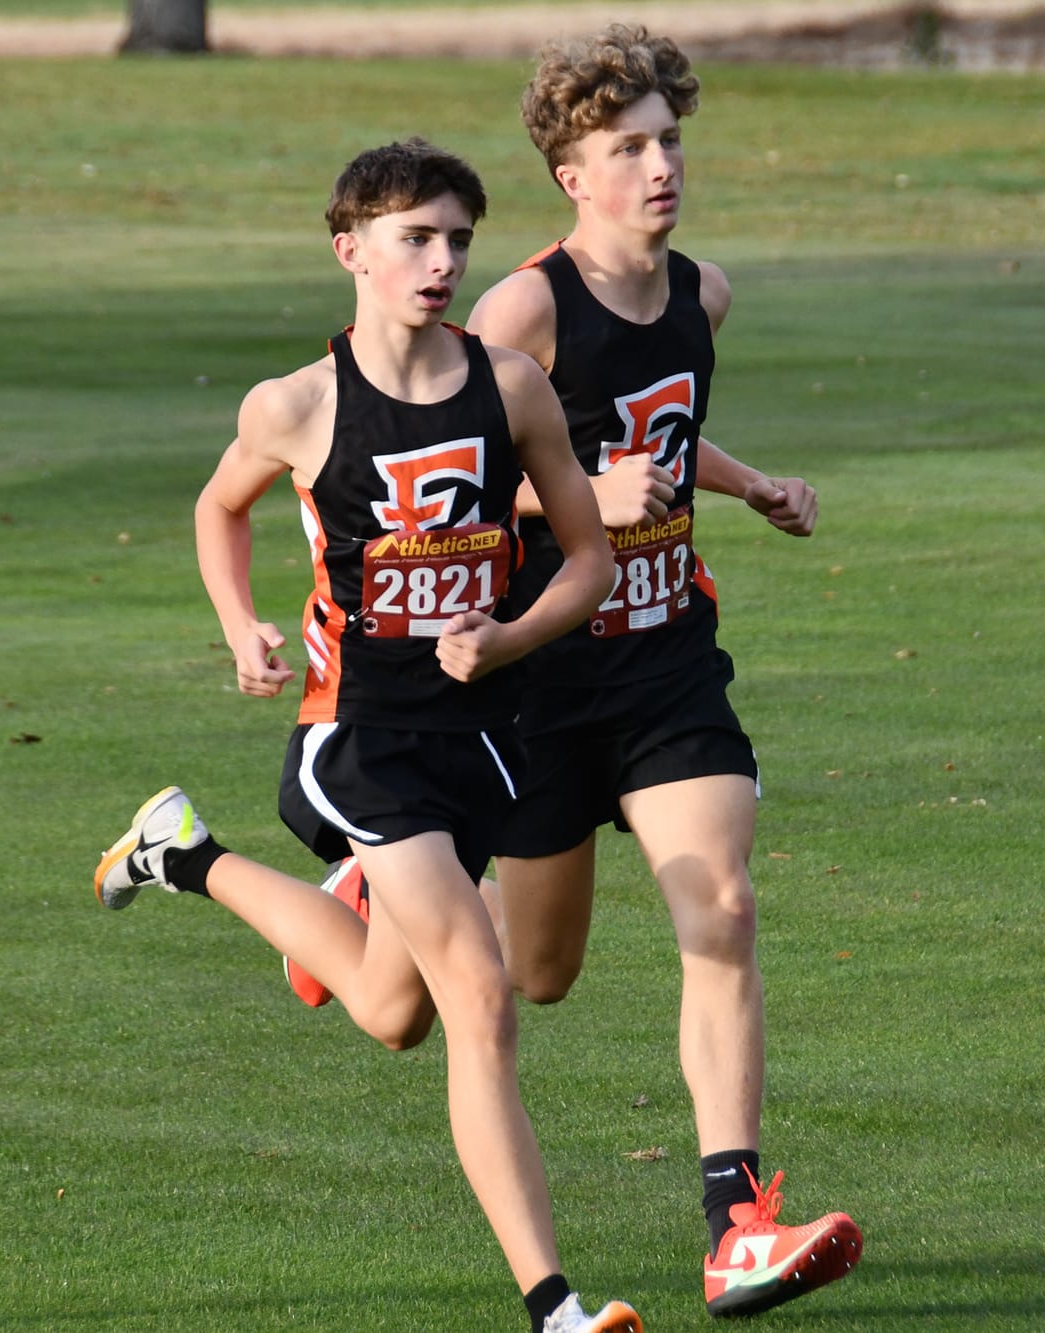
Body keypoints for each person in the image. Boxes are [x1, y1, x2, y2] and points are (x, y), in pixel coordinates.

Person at [95, 139, 639, 1333]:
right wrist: (239, 625)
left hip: (482, 733)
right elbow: (216, 505)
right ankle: (553, 1307)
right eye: (414, 238)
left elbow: (589, 557)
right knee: (479, 996)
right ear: (350, 250)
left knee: (394, 1012)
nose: (440, 261)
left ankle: (178, 850)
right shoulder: (294, 405)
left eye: (455, 239)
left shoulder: (511, 386)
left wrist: (506, 638)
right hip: (355, 739)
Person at [463, 26, 860, 1318]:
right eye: (626, 148)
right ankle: (378, 891)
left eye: (668, 140)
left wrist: (746, 487)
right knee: (539, 972)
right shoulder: (524, 309)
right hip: (541, 674)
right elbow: (447, 484)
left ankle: (735, 1220)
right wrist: (571, 493)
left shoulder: (705, 292)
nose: (659, 166)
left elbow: (668, 429)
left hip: (666, 660)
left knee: (725, 908)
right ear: (570, 174)